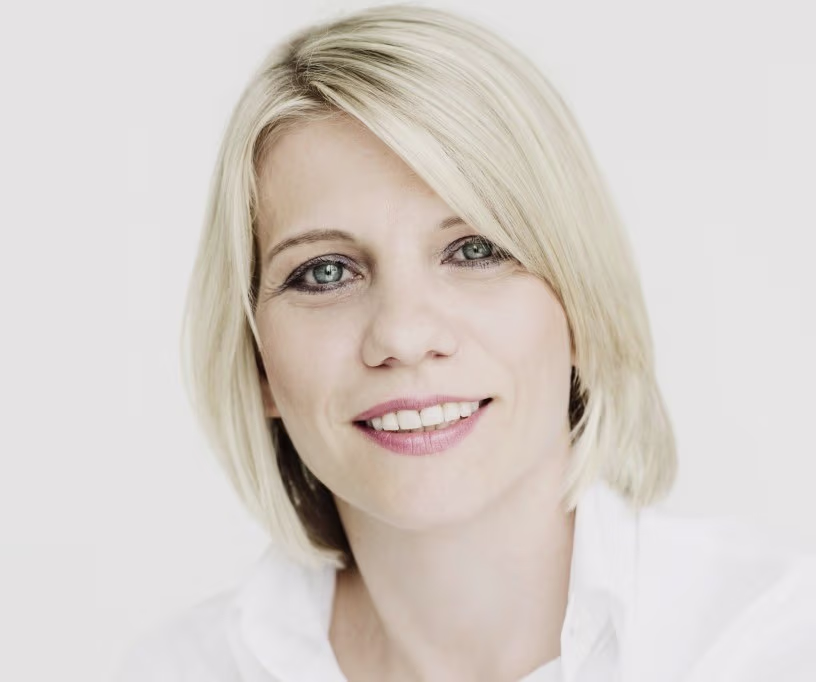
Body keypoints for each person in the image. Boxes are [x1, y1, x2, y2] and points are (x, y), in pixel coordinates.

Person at [115, 4, 816, 681]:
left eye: (475, 250)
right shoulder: (178, 671)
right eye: (325, 272)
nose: (403, 335)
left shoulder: (774, 647)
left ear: (580, 307)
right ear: (257, 361)